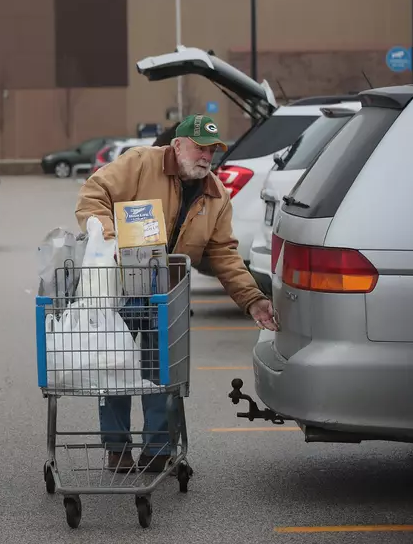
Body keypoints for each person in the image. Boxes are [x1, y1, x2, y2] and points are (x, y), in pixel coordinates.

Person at [75, 114, 275, 472]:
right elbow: (93, 195)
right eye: (200, 147)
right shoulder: (140, 162)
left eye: (212, 150)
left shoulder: (216, 194)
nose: (206, 156)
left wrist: (252, 298)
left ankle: (157, 450)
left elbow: (224, 253)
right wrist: (111, 241)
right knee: (113, 367)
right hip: (121, 289)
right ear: (178, 144)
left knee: (160, 373)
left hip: (168, 295)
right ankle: (116, 449)